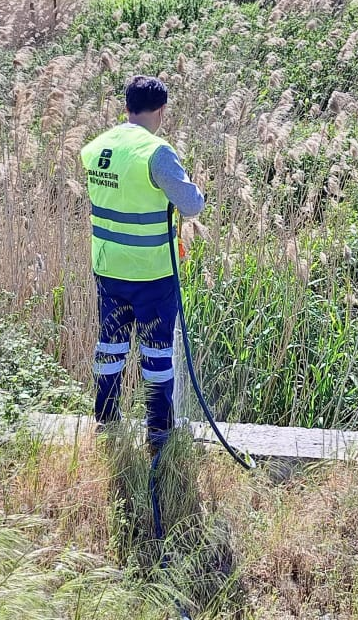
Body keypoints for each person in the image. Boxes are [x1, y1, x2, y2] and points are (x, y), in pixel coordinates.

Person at [80, 75, 205, 447]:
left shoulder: (98, 146)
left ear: (127, 107)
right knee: (156, 351)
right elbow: (192, 206)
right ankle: (159, 430)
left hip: (107, 266)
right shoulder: (156, 152)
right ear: (162, 111)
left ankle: (105, 419)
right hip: (151, 272)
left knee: (111, 346)